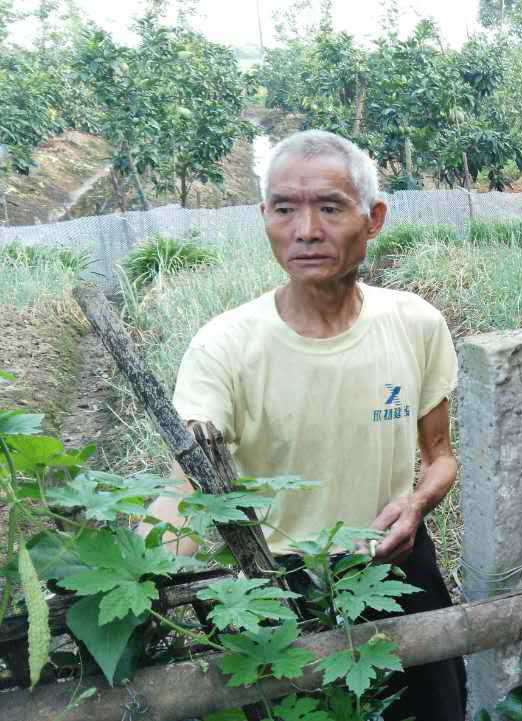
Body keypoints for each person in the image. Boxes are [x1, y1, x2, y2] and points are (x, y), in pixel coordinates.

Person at [138, 129, 466, 721]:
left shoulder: (415, 323)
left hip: (392, 567)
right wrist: (141, 572)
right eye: (285, 208)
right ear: (264, 216)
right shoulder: (225, 347)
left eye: (331, 207)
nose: (306, 230)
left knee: (439, 708)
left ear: (374, 218)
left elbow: (440, 457)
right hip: (273, 584)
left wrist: (416, 504)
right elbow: (184, 490)